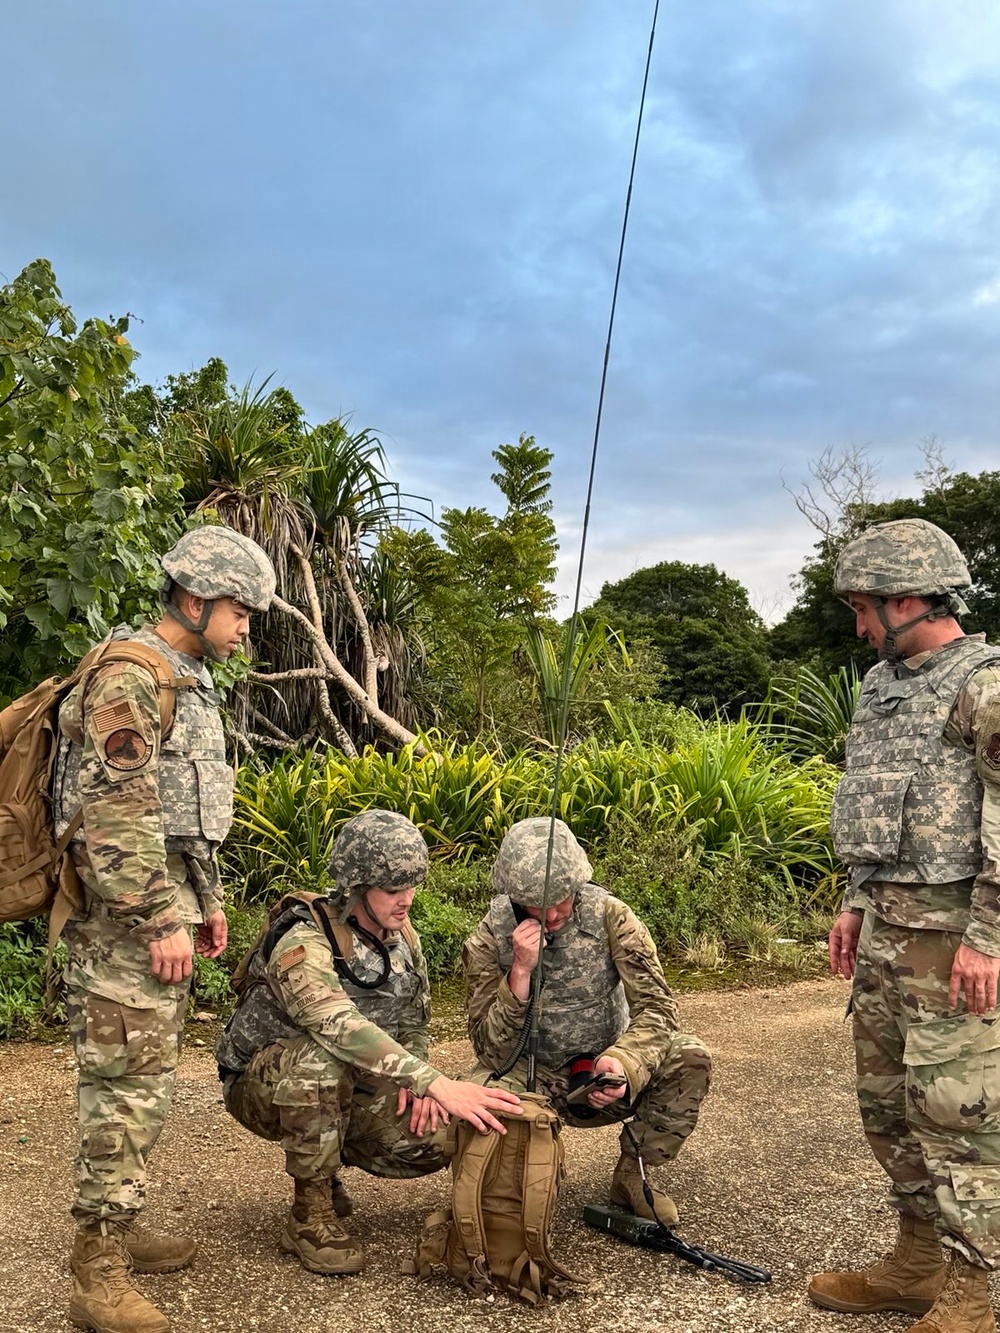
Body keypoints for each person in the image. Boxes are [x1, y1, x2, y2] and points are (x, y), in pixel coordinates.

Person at [51, 526, 276, 1333]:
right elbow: (115, 815)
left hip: (160, 910)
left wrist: (206, 901)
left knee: (143, 1087)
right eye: (240, 606)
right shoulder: (129, 676)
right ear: (194, 598)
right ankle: (97, 1272)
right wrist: (155, 917)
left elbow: (181, 813)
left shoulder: (184, 678)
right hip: (123, 925)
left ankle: (122, 1225)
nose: (248, 622)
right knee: (121, 1091)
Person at [808, 518, 1000, 1333]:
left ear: (911, 596)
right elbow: (874, 803)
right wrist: (855, 899)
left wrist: (990, 932)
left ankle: (975, 1290)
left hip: (956, 933)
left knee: (959, 1116)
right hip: (887, 928)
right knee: (889, 1109)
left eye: (865, 607)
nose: (859, 625)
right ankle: (918, 1262)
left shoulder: (984, 684)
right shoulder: (883, 688)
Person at [215, 808, 522, 1276]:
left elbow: (413, 1021)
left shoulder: (402, 935)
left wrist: (416, 1082)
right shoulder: (304, 938)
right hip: (264, 1085)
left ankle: (328, 1154)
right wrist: (432, 1080)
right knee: (323, 1060)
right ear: (357, 887)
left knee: (438, 1138)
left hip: (352, 1079)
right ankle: (309, 1213)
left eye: (412, 885)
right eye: (394, 889)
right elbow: (332, 1021)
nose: (408, 900)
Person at [462, 816, 711, 1225]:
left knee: (689, 1056)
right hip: (530, 1077)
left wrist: (624, 1064)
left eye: (564, 896)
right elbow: (490, 1049)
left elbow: (658, 1009)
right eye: (539, 901)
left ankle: (634, 1174)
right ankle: (509, 1187)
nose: (556, 911)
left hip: (601, 1076)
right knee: (477, 1093)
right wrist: (520, 974)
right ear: (513, 896)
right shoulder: (490, 936)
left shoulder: (612, 916)